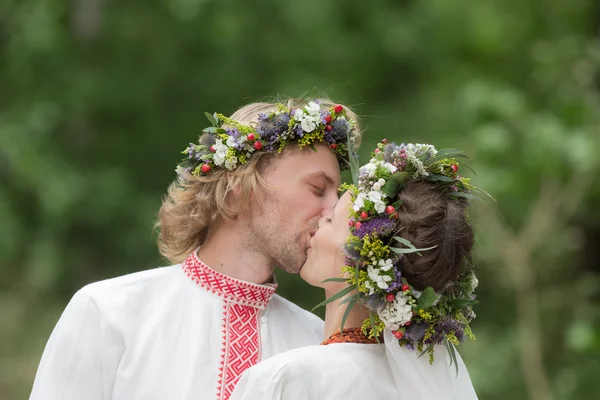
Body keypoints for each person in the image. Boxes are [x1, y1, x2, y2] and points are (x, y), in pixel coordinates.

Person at [29, 99, 362, 400]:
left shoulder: (314, 340)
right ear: (239, 187)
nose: (335, 209)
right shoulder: (109, 313)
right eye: (318, 189)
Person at [231, 142, 482, 400]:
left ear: (361, 258)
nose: (319, 220)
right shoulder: (412, 382)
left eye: (331, 221)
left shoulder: (286, 378)